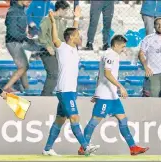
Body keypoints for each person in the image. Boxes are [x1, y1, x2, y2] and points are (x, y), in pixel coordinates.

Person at [78, 35, 149, 156]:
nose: (123, 49)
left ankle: (133, 147)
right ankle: (83, 147)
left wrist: (97, 91)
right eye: (122, 46)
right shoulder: (110, 54)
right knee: (94, 121)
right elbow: (106, 73)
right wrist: (120, 86)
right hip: (105, 95)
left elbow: (99, 74)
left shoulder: (111, 54)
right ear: (116, 45)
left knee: (123, 120)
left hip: (112, 96)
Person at [42, 11, 100, 156]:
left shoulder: (74, 49)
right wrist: (53, 22)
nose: (80, 37)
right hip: (64, 90)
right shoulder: (62, 48)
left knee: (60, 120)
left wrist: (76, 17)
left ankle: (47, 149)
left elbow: (73, 29)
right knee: (75, 117)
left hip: (71, 91)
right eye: (77, 35)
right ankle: (85, 147)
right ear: (71, 38)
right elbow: (55, 38)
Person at [4, 0, 40, 92]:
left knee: (24, 66)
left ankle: (27, 89)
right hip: (13, 42)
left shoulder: (20, 9)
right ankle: (6, 88)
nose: (30, 1)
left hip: (18, 41)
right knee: (23, 67)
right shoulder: (13, 11)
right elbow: (12, 32)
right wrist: (26, 38)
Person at [38, 0, 71, 96]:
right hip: (47, 51)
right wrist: (47, 46)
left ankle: (50, 93)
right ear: (60, 9)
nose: (66, 13)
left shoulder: (61, 22)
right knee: (53, 73)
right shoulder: (47, 19)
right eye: (65, 11)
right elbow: (41, 34)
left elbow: (62, 37)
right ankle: (45, 96)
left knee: (59, 74)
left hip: (57, 51)